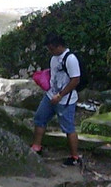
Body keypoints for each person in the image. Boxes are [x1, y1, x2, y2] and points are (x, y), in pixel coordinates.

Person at [29, 33, 82, 167]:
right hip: (50, 95)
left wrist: (60, 95)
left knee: (68, 128)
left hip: (65, 100)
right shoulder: (54, 58)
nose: (50, 51)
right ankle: (36, 147)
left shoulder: (70, 59)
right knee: (40, 118)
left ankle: (75, 156)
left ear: (59, 46)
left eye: (52, 48)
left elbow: (75, 80)